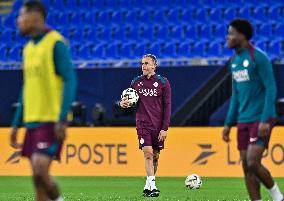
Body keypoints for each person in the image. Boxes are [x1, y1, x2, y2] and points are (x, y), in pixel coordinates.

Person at [10, 1, 77, 201]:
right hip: (32, 120)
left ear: (35, 16)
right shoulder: (28, 48)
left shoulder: (55, 43)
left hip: (51, 119)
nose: (18, 21)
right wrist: (16, 123)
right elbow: (26, 88)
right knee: (37, 181)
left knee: (40, 168)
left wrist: (62, 117)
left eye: (21, 16)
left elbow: (71, 79)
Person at [222, 19, 283, 201]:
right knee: (246, 166)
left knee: (253, 161)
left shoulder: (258, 56)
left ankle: (278, 197)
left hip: (261, 118)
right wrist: (227, 124)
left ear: (242, 36)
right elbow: (236, 96)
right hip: (243, 119)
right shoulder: (233, 62)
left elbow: (271, 88)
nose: (228, 37)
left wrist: (266, 118)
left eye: (231, 33)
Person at [119, 54, 171, 197]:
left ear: (154, 66)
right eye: (142, 63)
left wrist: (165, 128)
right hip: (143, 124)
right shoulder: (135, 82)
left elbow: (167, 106)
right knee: (147, 153)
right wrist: (122, 103)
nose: (143, 66)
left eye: (147, 63)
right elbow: (128, 100)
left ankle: (148, 186)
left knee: (155, 156)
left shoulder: (163, 82)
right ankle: (153, 187)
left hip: (158, 125)